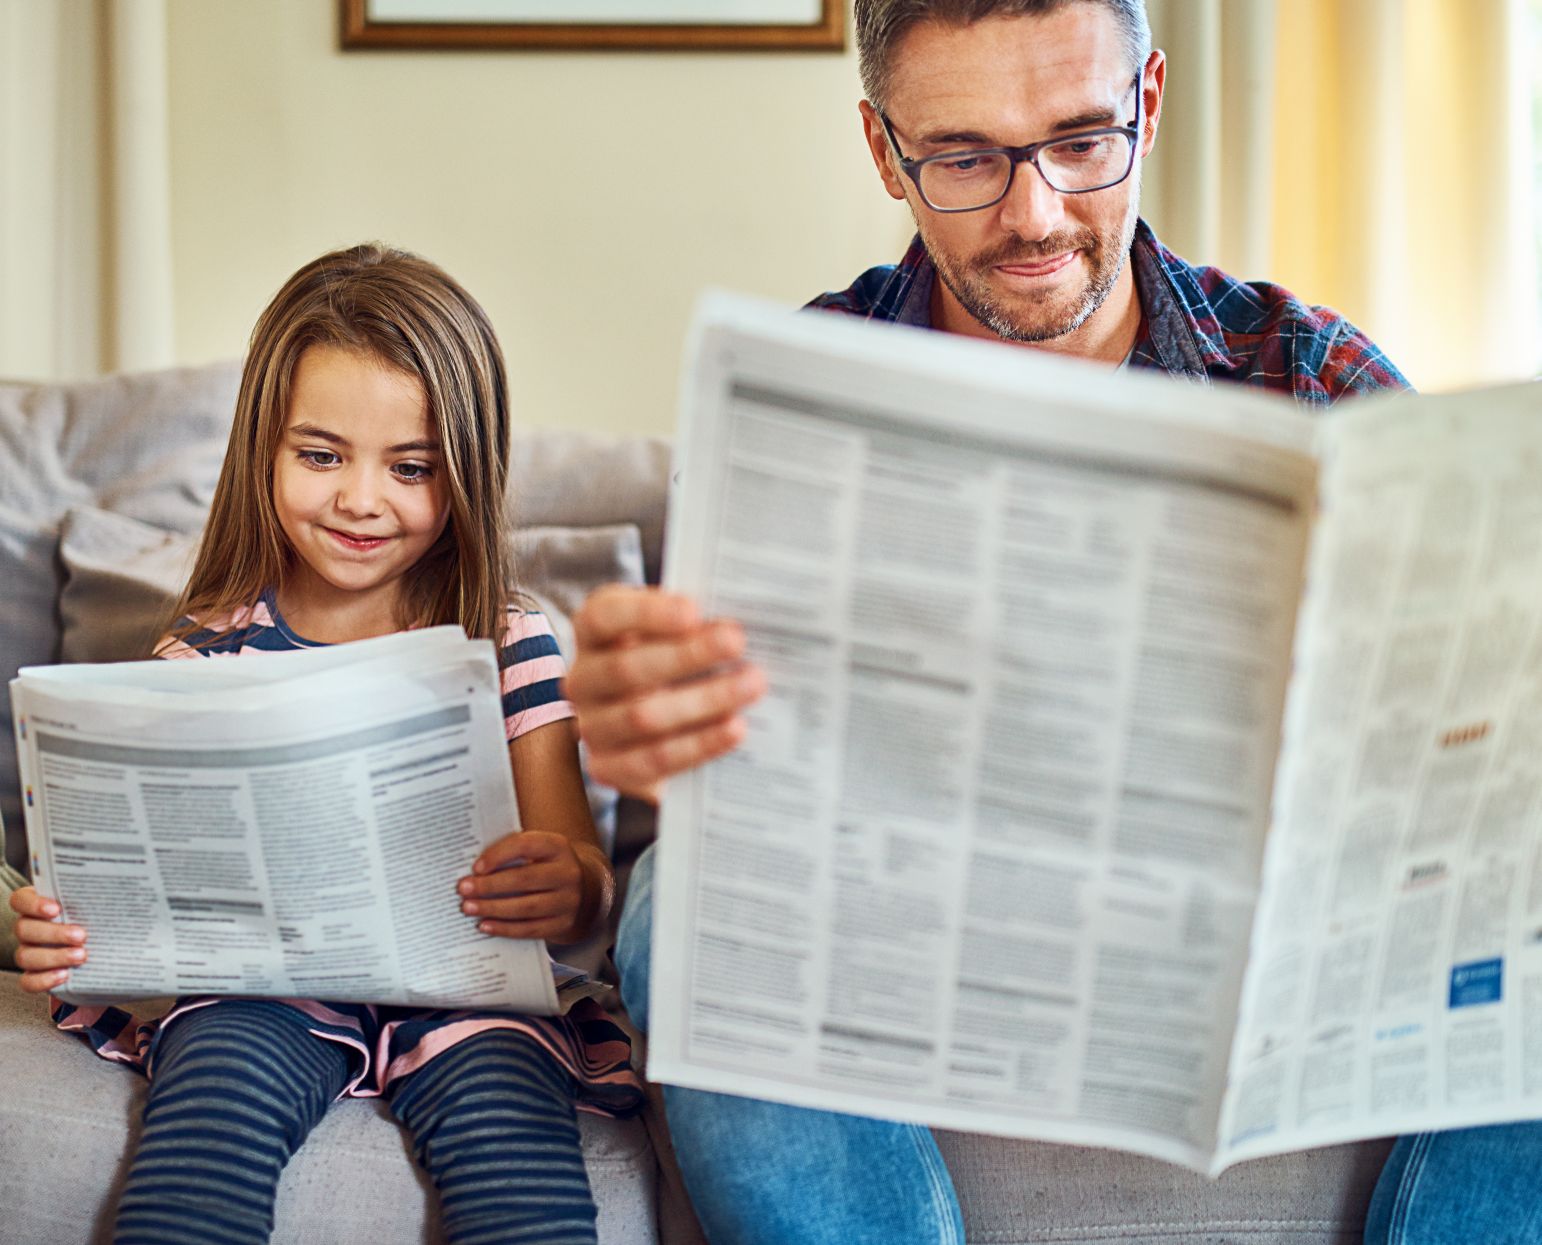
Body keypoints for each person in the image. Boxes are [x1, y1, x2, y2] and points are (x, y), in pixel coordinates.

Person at [566, 2, 1541, 1243]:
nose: (1033, 216)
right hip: (928, 927)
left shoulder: (1307, 371)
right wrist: (645, 734)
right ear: (884, 151)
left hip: (1250, 930)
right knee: (677, 907)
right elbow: (721, 781)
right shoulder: (806, 386)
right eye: (967, 159)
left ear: (1149, 100)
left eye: (1083, 141)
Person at [8, 244, 641, 1245]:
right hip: (265, 990)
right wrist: (65, 930)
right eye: (319, 455)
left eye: (411, 468)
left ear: (466, 473)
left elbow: (586, 883)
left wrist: (568, 887)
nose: (359, 499)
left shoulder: (509, 641)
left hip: (469, 986)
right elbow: (141, 894)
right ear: (262, 449)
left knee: (516, 1159)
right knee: (203, 1124)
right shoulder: (201, 656)